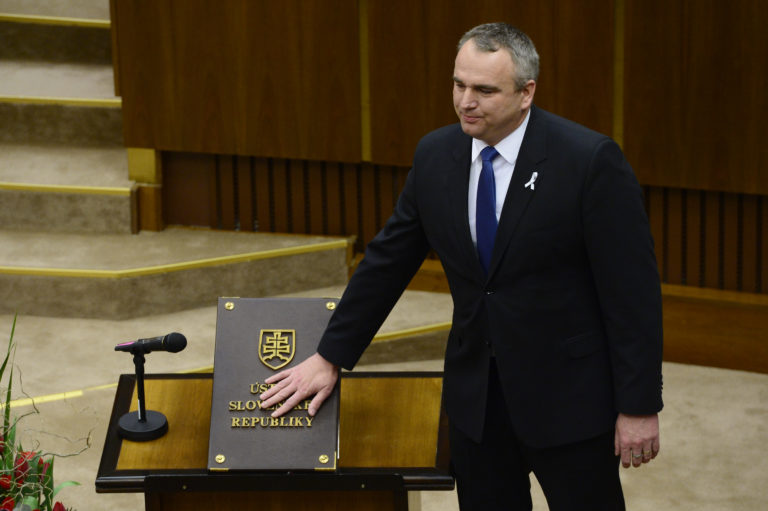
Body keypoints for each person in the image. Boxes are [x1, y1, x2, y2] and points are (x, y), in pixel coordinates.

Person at [260, 22, 663, 510]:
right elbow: (387, 262)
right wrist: (331, 355)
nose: (465, 101)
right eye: (459, 84)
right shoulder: (435, 155)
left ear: (525, 93)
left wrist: (638, 406)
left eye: (485, 90)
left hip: (568, 401)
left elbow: (632, 294)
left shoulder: (588, 160)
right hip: (477, 402)